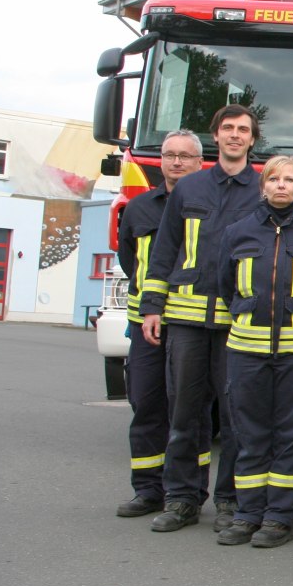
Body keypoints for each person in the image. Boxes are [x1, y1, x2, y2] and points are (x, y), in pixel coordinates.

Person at [139, 106, 262, 533]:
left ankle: (230, 501)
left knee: (235, 416)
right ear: (215, 136)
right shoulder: (188, 189)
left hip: (237, 324)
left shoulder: (263, 190)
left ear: (252, 139)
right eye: (227, 128)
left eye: (243, 130)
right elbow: (164, 251)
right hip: (187, 323)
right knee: (184, 415)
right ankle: (181, 499)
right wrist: (152, 306)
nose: (234, 135)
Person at [214, 156, 293, 548]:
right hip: (246, 351)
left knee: (292, 434)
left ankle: (280, 518)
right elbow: (225, 286)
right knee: (249, 434)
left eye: (289, 179)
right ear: (262, 185)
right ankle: (248, 513)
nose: (281, 186)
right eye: (274, 179)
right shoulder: (237, 233)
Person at [113, 129, 206, 518]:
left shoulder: (207, 207)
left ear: (201, 163)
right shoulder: (139, 209)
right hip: (145, 326)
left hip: (189, 324)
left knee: (190, 410)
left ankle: (186, 493)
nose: (177, 162)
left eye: (186, 156)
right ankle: (147, 489)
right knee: (147, 404)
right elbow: (129, 260)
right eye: (170, 155)